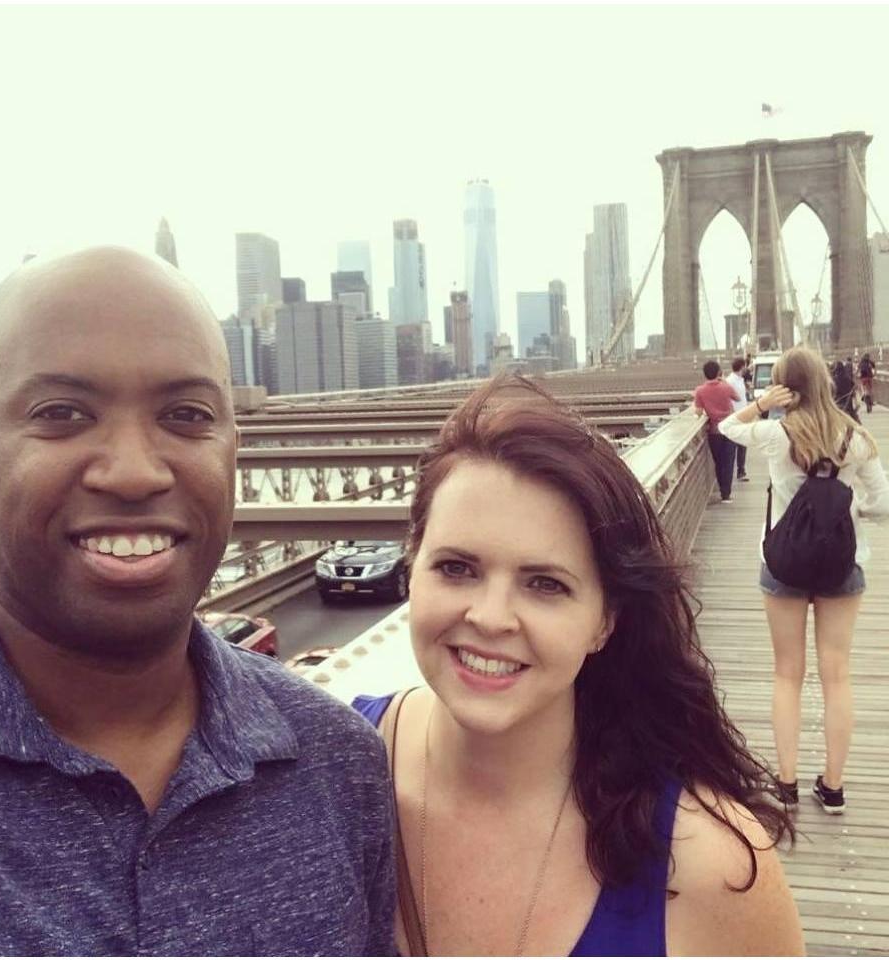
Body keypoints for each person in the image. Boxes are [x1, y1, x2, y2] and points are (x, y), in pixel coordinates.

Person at [0, 248, 395, 955]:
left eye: (185, 414)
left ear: (233, 449)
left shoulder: (339, 767)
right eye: (62, 413)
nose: (135, 471)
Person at [354, 376, 803, 957]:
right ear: (412, 566)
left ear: (605, 620)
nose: (491, 619)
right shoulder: (329, 777)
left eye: (546, 584)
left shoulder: (711, 866)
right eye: (457, 568)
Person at [719, 347, 889, 815]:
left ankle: (787, 784)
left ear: (785, 386)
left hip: (783, 566)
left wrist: (760, 405)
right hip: (841, 567)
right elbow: (884, 501)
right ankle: (833, 788)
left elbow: (725, 428)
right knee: (837, 675)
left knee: (786, 674)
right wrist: (854, 513)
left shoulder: (777, 433)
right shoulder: (855, 437)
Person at [693, 359, 739, 502]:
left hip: (714, 431)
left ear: (705, 374)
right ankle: (727, 494)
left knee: (718, 462)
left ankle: (722, 489)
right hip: (730, 429)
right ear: (718, 372)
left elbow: (698, 412)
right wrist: (724, 381)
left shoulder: (700, 391)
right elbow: (737, 398)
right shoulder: (725, 387)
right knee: (729, 461)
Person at [726, 357, 750, 481]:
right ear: (742, 367)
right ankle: (738, 471)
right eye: (745, 366)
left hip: (743, 416)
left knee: (743, 444)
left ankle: (741, 470)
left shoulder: (740, 380)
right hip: (736, 417)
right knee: (735, 446)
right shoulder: (730, 381)